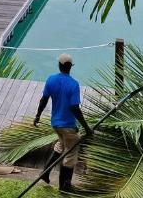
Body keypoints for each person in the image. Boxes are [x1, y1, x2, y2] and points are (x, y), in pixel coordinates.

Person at [33, 53, 91, 192]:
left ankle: (45, 172)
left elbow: (44, 99)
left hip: (56, 124)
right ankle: (64, 186)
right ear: (70, 67)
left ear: (59, 65)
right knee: (71, 153)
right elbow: (74, 107)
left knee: (61, 145)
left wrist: (38, 116)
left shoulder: (51, 79)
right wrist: (86, 128)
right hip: (68, 126)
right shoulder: (73, 84)